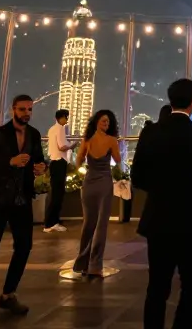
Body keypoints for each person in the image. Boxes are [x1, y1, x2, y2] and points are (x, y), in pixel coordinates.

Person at [131, 79, 192, 329]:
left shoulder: (150, 131)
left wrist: (162, 187)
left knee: (157, 287)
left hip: (157, 219)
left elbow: (137, 177)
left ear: (170, 101)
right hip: (189, 221)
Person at [0, 95, 46, 324]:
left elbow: (38, 160)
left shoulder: (33, 134)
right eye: (22, 109)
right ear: (13, 109)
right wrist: (10, 162)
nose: (26, 113)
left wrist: (40, 167)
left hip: (21, 199)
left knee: (24, 247)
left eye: (29, 109)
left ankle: (8, 294)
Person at [73, 109, 121, 276]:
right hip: (104, 184)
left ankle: (82, 263)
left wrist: (82, 169)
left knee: (88, 223)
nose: (106, 125)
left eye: (107, 122)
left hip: (88, 183)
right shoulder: (112, 140)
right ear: (97, 122)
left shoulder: (87, 140)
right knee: (101, 225)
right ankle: (95, 265)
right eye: (103, 121)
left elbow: (79, 159)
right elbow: (118, 160)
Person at [44, 108, 71, 233]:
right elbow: (62, 146)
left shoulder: (51, 129)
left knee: (55, 192)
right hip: (60, 162)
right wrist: (72, 146)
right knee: (58, 194)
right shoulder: (60, 129)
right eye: (66, 117)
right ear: (61, 118)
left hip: (54, 162)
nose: (67, 119)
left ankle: (52, 221)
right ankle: (51, 223)